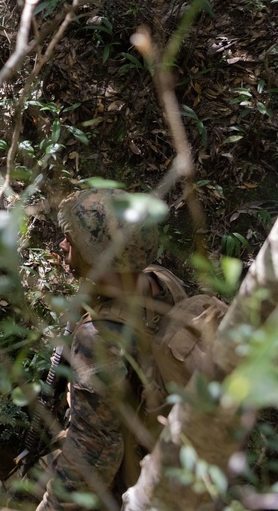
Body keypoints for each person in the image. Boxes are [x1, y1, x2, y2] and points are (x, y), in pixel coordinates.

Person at [36, 187, 184, 511]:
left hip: (137, 478)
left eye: (71, 242)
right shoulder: (161, 281)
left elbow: (93, 454)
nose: (62, 245)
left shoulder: (100, 340)